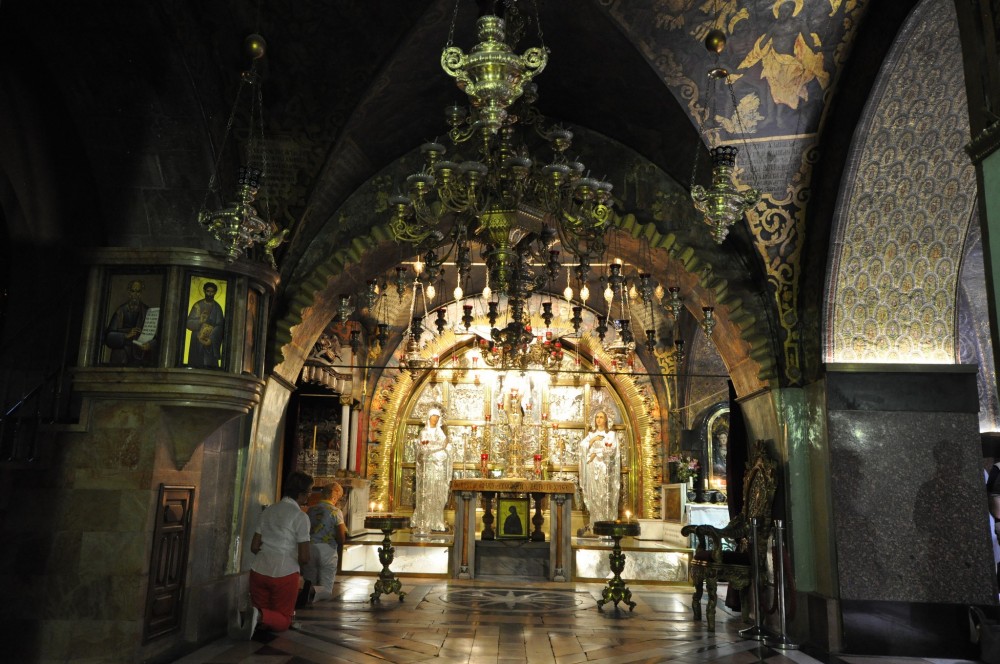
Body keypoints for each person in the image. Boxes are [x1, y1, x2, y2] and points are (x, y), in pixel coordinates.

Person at [233, 470, 313, 640]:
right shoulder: (300, 517)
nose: (309, 496)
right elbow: (304, 557)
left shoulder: (268, 511)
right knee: (283, 620)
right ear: (301, 494)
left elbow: (254, 546)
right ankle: (257, 616)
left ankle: (251, 616)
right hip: (284, 573)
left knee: (261, 610)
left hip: (259, 570)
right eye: (309, 492)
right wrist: (300, 572)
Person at [304, 481, 346, 602]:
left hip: (309, 548)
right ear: (335, 496)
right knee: (326, 590)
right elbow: (341, 537)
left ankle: (308, 593)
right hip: (327, 550)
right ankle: (312, 592)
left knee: (310, 578)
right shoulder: (336, 511)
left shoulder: (311, 510)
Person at [411, 407, 451, 534]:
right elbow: (423, 449)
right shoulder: (424, 432)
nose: (436, 418)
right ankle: (424, 521)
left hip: (439, 467)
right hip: (428, 468)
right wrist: (439, 447)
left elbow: (447, 447)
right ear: (429, 417)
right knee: (427, 493)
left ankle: (436, 520)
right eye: (434, 416)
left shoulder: (440, 433)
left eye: (438, 417)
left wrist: (438, 448)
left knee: (438, 493)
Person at [578, 410, 620, 525]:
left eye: (601, 417)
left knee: (604, 494)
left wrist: (595, 453)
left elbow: (612, 450)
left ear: (606, 419)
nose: (599, 419)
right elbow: (582, 448)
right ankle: (595, 523)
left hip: (605, 468)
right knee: (594, 494)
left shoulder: (611, 434)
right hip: (592, 467)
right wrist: (593, 440)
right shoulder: (591, 434)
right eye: (597, 417)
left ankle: (606, 522)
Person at [104, 279, 155, 366]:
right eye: (133, 291)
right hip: (122, 355)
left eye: (138, 292)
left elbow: (155, 336)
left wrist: (150, 344)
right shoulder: (120, 311)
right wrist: (126, 335)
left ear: (141, 293)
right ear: (129, 293)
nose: (135, 294)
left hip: (140, 355)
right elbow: (109, 337)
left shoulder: (148, 311)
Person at [185, 281, 225, 368]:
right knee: (196, 364)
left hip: (210, 343)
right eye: (208, 291)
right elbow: (188, 323)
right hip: (197, 340)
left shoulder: (217, 308)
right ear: (204, 291)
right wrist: (199, 321)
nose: (210, 294)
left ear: (215, 293)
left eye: (212, 292)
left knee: (209, 365)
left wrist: (211, 339)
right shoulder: (198, 306)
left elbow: (220, 326)